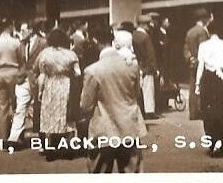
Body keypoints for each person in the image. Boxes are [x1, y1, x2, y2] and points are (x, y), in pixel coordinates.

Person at [80, 29, 148, 173]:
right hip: (129, 126)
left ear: (95, 42)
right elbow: (136, 94)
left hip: (103, 130)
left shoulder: (92, 70)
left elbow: (86, 105)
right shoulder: (132, 65)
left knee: (100, 172)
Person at [33, 28, 81, 160]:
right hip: (66, 84)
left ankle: (50, 148)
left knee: (50, 115)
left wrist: (40, 91)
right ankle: (68, 146)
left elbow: (40, 73)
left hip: (50, 85)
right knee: (66, 115)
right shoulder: (71, 54)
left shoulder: (45, 53)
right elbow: (78, 73)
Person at [194, 20, 223, 157]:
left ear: (209, 32)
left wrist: (197, 84)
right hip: (222, 79)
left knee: (209, 111)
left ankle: (212, 141)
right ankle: (222, 143)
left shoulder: (203, 46)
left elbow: (200, 66)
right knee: (222, 110)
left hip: (208, 79)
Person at [0, 21, 23, 142]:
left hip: (0, 74)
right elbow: (21, 60)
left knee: (2, 107)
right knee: (16, 105)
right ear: (10, 27)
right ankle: (17, 136)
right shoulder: (16, 42)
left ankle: (3, 137)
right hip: (14, 72)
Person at [183, 8, 212, 121]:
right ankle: (201, 111)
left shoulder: (190, 31)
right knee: (202, 86)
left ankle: (193, 112)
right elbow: (204, 48)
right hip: (201, 63)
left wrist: (189, 58)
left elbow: (186, 48)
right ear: (203, 19)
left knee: (193, 87)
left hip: (193, 62)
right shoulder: (202, 32)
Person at [132, 15, 159, 119]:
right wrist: (154, 68)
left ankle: (140, 111)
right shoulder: (146, 37)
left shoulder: (133, 35)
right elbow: (150, 54)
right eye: (147, 24)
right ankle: (149, 111)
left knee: (137, 90)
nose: (148, 26)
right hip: (147, 67)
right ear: (142, 25)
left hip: (136, 65)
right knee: (148, 89)